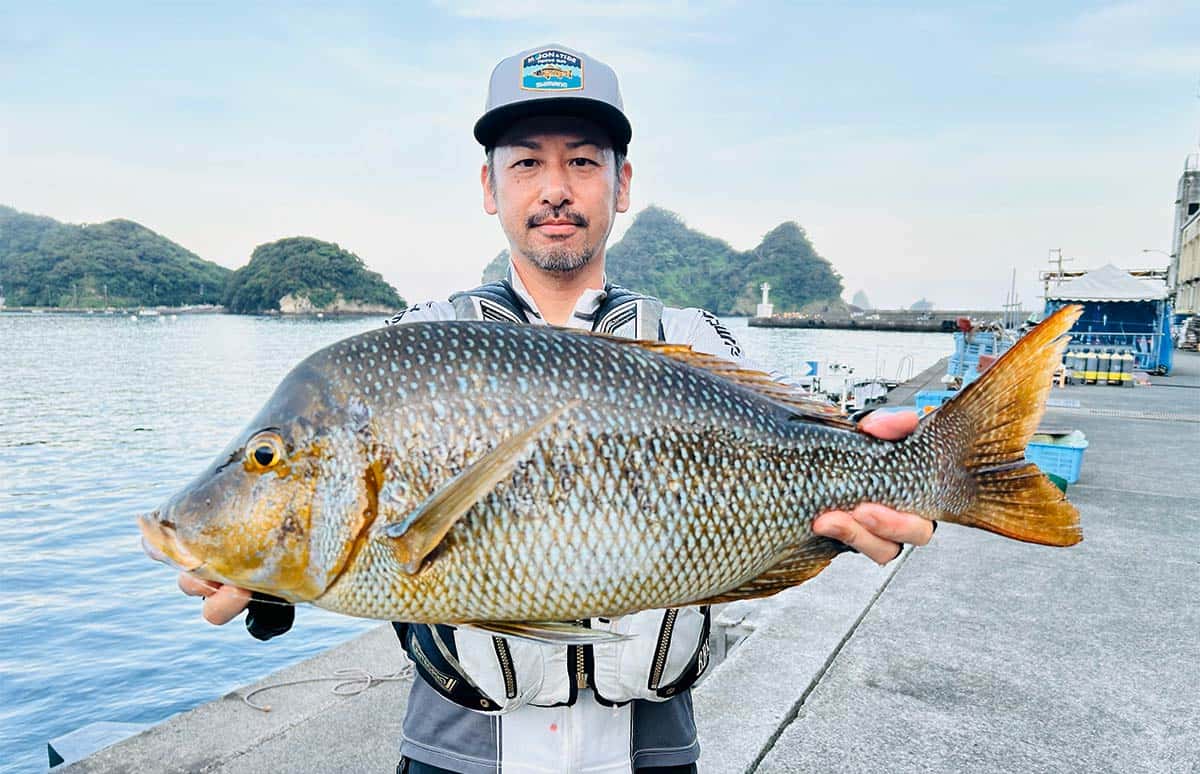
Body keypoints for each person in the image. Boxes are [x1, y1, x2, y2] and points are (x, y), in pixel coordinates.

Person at [178, 44, 935, 773]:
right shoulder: (409, 349)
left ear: (622, 183)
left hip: (654, 750)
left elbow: (799, 451)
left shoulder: (699, 343)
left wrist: (872, 490)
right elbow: (361, 535)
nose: (555, 187)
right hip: (459, 752)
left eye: (581, 159)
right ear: (489, 188)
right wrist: (269, 579)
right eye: (526, 162)